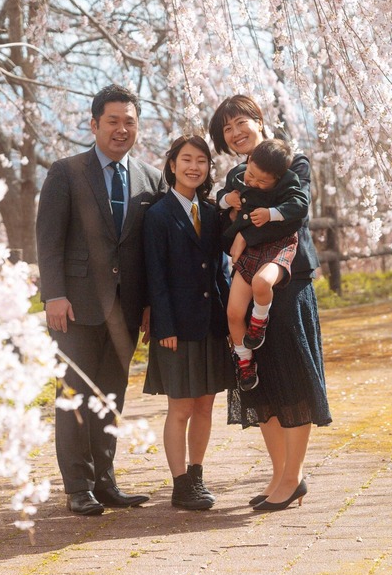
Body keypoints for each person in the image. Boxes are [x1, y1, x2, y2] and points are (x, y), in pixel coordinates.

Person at [36, 85, 167, 516]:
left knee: (111, 397)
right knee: (73, 397)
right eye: (113, 121)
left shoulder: (151, 178)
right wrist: (54, 294)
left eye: (130, 122)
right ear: (94, 124)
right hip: (74, 307)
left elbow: (151, 250)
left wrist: (149, 304)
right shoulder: (66, 172)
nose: (121, 129)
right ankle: (78, 486)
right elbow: (48, 239)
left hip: (125, 311)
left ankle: (105, 482)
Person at [209, 94, 332, 512]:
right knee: (262, 383)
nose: (235, 133)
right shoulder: (235, 178)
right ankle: (280, 475)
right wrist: (233, 224)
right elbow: (224, 231)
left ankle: (293, 477)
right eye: (227, 129)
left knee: (292, 376)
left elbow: (295, 216)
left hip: (288, 280)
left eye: (241, 122)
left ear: (259, 121)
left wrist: (246, 233)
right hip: (248, 279)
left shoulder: (293, 163)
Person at [142, 135, 233, 510]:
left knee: (205, 407)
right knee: (180, 409)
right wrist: (164, 327)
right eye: (186, 160)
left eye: (201, 161)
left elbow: (222, 271)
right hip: (176, 329)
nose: (194, 167)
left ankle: (197, 475)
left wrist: (231, 321)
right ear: (172, 165)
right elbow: (155, 276)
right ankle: (180, 484)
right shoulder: (157, 215)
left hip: (211, 324)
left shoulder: (211, 214)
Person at [217, 138, 308, 391]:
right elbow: (219, 199)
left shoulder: (289, 180)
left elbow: (300, 205)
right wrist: (228, 200)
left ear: (278, 178)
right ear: (249, 161)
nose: (253, 182)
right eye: (251, 174)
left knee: (261, 282)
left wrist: (272, 213)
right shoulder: (237, 175)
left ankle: (259, 323)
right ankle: (245, 362)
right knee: (233, 313)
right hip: (249, 251)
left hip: (278, 246)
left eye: (262, 181)